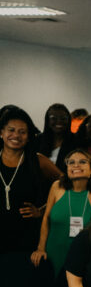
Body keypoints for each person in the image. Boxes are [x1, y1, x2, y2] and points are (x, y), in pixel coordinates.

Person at [0, 106, 62, 254]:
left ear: (28, 137)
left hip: (29, 239)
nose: (16, 135)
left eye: (22, 132)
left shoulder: (38, 161)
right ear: (1, 133)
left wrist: (42, 211)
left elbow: (68, 185)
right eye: (11, 130)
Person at [31, 149, 91, 277]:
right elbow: (46, 218)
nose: (76, 165)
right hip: (52, 253)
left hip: (82, 257)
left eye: (82, 162)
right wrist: (40, 248)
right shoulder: (57, 187)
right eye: (71, 162)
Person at [35, 103, 76, 172]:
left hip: (66, 182)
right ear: (47, 121)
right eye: (53, 118)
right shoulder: (38, 140)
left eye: (63, 118)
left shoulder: (76, 141)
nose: (59, 121)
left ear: (68, 120)